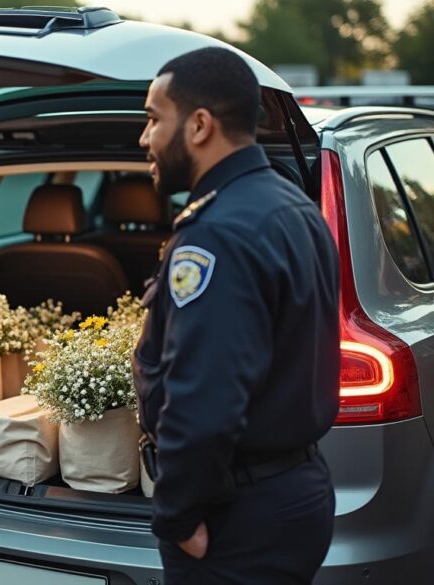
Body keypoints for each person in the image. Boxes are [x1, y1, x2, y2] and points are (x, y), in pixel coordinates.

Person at [133, 47, 340, 584]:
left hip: (235, 516)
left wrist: (177, 515)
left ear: (199, 125)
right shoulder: (291, 206)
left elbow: (204, 396)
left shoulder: (217, 232)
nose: (144, 138)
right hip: (292, 492)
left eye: (154, 119)